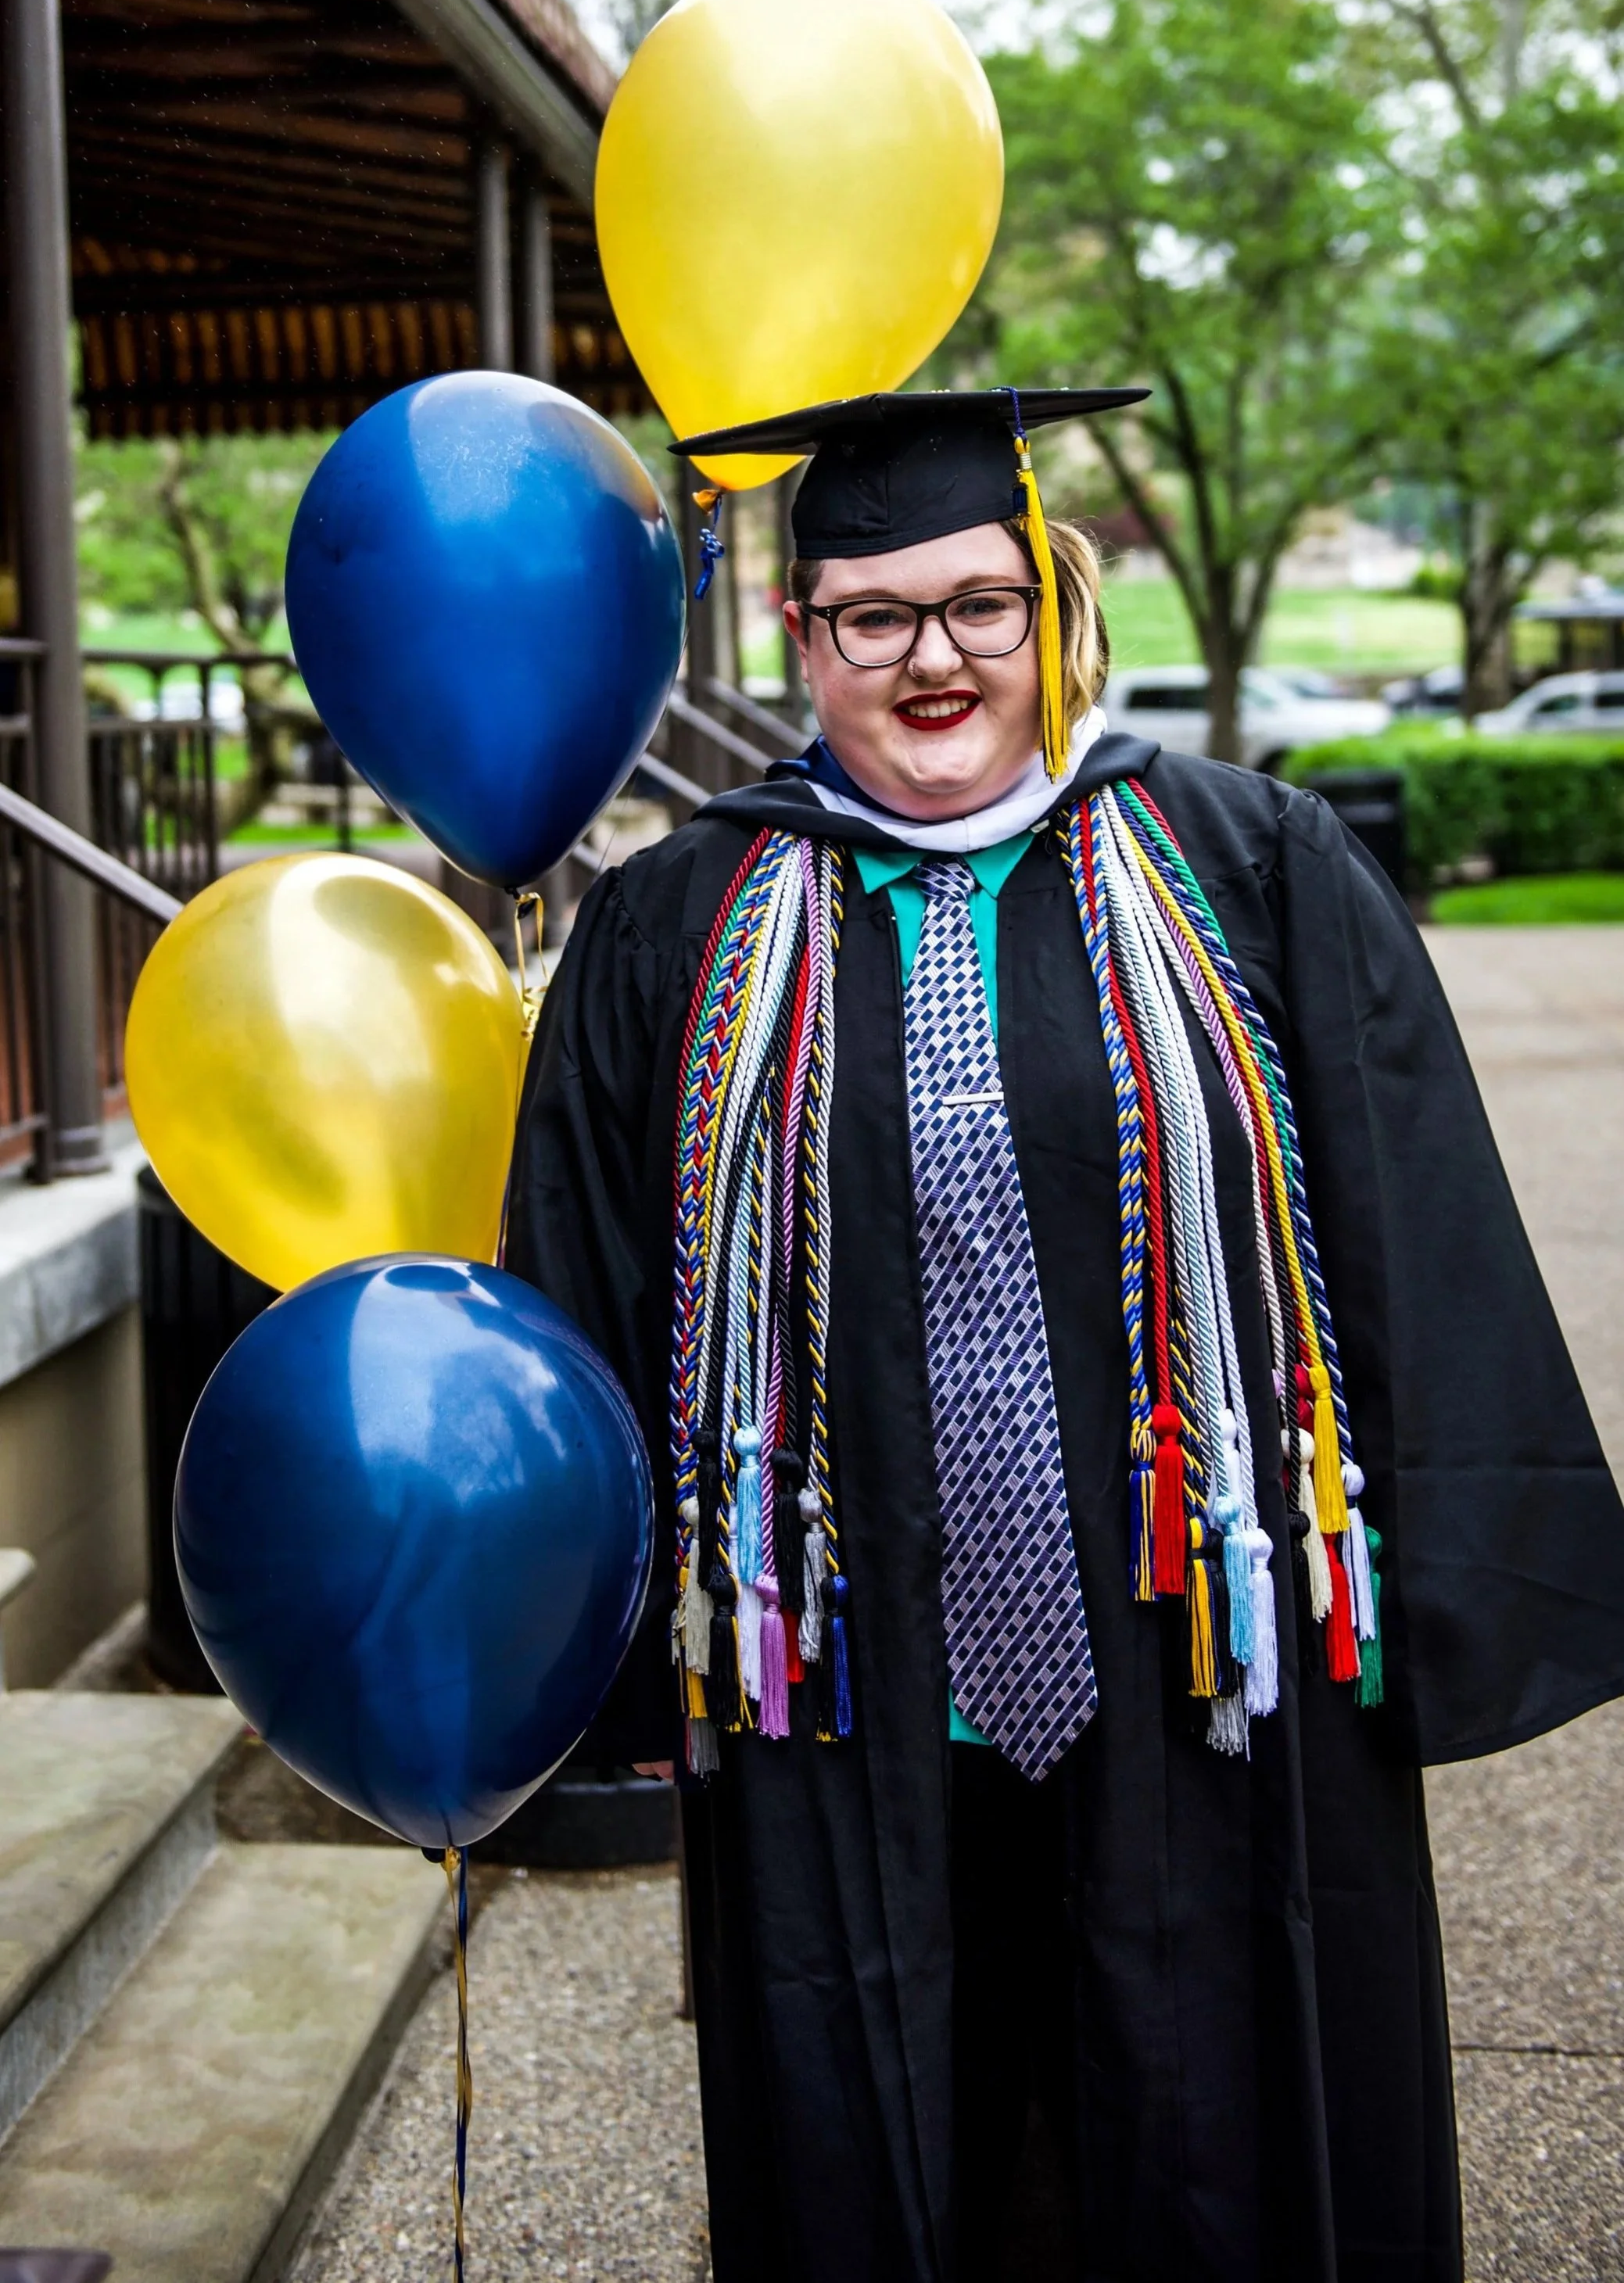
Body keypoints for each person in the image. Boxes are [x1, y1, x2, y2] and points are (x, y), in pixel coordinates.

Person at [504, 389, 1624, 2283]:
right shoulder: (677, 929)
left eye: (979, 606)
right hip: (844, 1698)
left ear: (1048, 604)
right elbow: (594, 1300)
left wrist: (1441, 1597)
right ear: (805, 636)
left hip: (1207, 1678)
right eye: (875, 616)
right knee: (884, 2148)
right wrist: (582, 1664)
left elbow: (1410, 1223)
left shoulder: (1242, 871)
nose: (934, 660)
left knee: (1220, 2143)